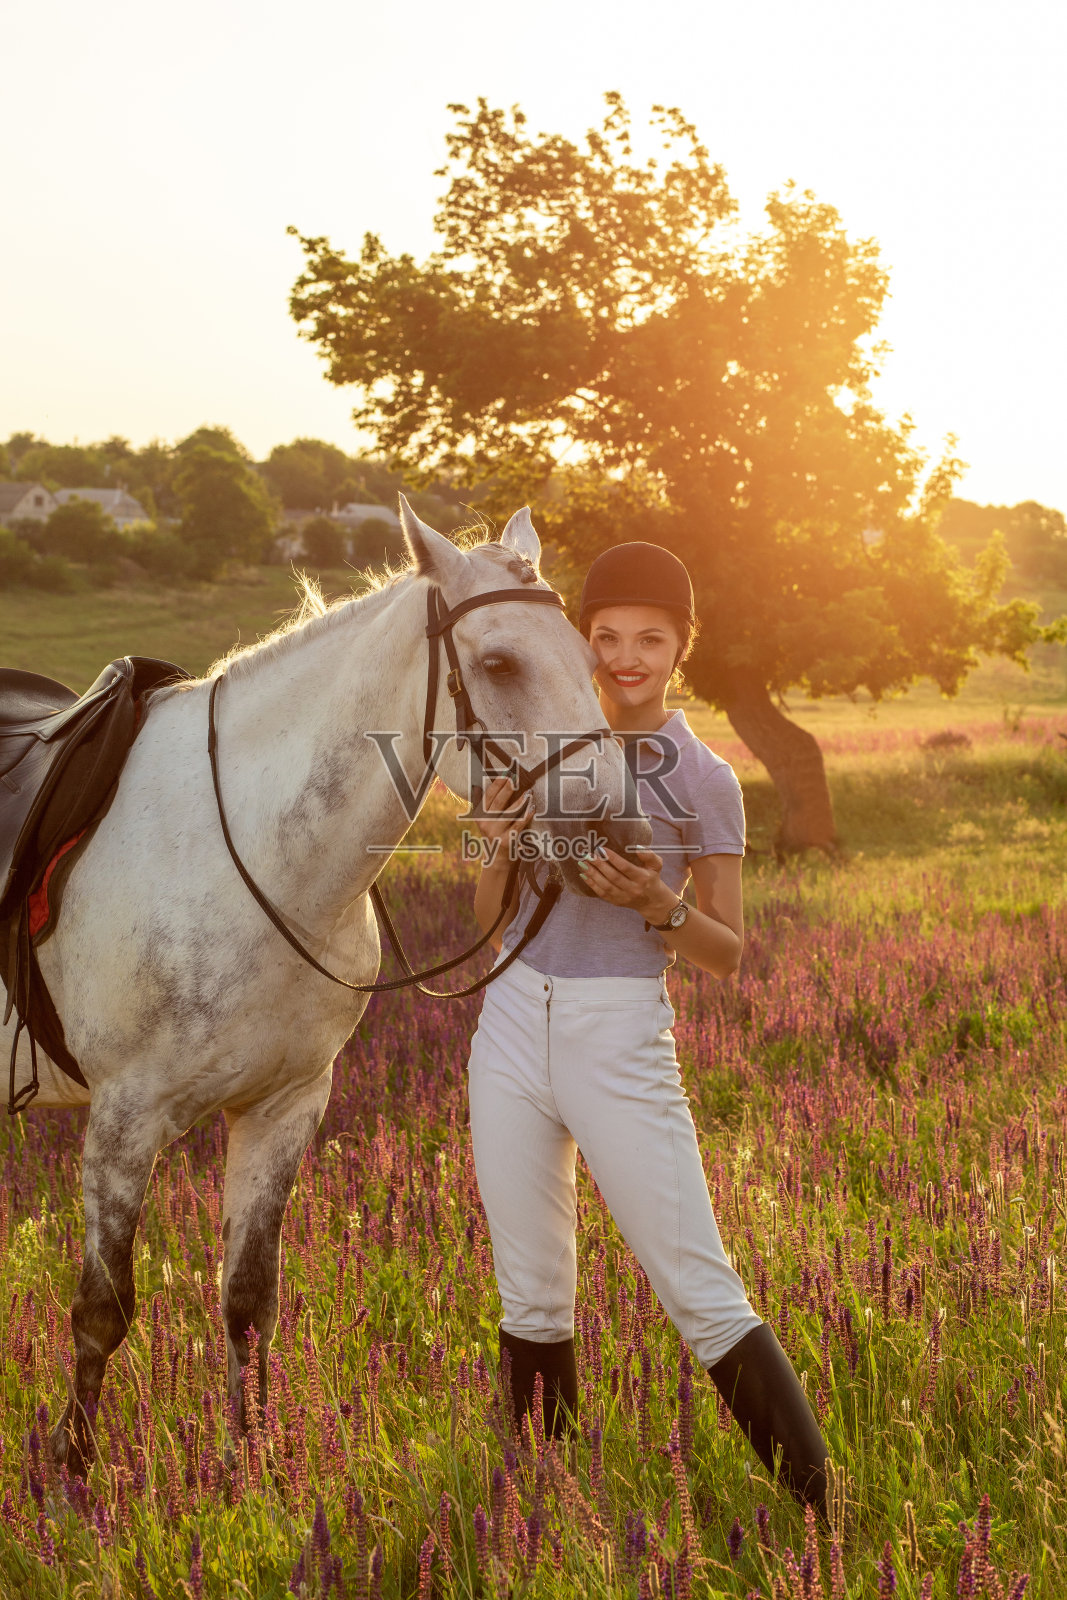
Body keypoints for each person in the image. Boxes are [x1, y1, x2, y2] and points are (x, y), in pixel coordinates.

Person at [466, 541, 829, 1514]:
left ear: (681, 646)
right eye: (607, 634)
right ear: (581, 637)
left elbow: (725, 951)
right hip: (507, 1022)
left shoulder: (704, 777)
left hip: (615, 1032)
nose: (625, 655)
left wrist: (655, 904)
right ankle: (550, 1517)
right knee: (529, 1291)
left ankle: (823, 1517)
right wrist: (495, 846)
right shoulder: (528, 743)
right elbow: (481, 919)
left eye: (649, 638)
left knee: (699, 1290)